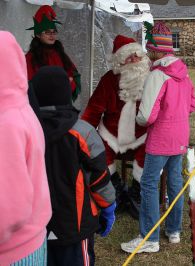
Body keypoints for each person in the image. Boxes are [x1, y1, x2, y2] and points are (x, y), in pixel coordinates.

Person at [120, 22, 195, 254]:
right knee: (174, 183)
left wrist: (140, 120)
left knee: (149, 185)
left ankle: (149, 237)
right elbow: (192, 104)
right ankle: (174, 231)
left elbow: (146, 115)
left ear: (154, 49)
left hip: (161, 138)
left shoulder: (157, 74)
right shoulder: (183, 72)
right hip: (181, 135)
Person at [31, 66, 116, 266]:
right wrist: (108, 207)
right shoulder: (83, 132)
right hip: (76, 226)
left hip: (35, 226)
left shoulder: (25, 129)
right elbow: (99, 178)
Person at [82, 35, 150, 218]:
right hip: (111, 133)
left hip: (142, 134)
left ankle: (138, 192)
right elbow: (94, 109)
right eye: (130, 56)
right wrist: (84, 134)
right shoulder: (108, 80)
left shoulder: (151, 78)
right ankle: (115, 188)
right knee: (98, 150)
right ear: (120, 61)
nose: (135, 60)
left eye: (138, 55)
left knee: (148, 151)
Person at [0, 31, 52, 265]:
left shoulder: (7, 122)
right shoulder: (22, 107)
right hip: (31, 237)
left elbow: (9, 209)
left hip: (13, 248)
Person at [26, 5, 81, 101]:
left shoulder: (61, 55)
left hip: (62, 109)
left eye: (54, 32)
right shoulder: (29, 58)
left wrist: (69, 84)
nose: (52, 35)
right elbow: (26, 85)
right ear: (38, 34)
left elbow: (75, 78)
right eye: (47, 32)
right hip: (39, 109)